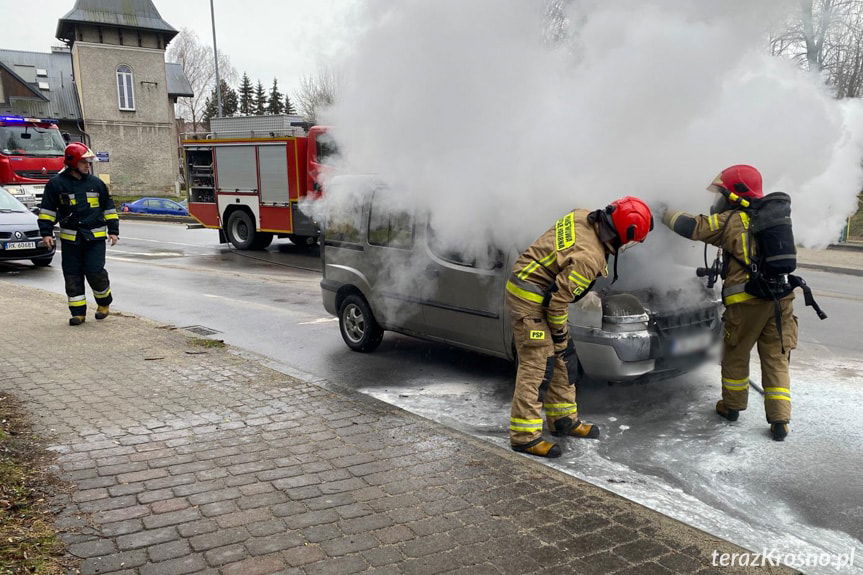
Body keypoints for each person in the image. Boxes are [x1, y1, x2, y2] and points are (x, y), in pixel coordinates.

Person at [506, 197, 654, 458]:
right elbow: (557, 303)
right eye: (631, 241)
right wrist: (560, 336)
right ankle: (524, 436)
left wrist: (563, 343)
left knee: (564, 357)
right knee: (538, 364)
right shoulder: (590, 258)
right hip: (529, 300)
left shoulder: (582, 216)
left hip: (541, 292)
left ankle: (563, 419)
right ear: (623, 234)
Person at [662, 165, 796, 441]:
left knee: (736, 354)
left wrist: (664, 211)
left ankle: (732, 407)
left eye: (722, 193)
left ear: (736, 195)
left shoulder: (731, 220)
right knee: (776, 359)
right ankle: (780, 419)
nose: (718, 199)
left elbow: (691, 226)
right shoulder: (774, 218)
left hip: (747, 302)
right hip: (782, 300)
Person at [38, 142, 119, 326]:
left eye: (89, 162)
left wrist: (113, 231)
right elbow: (48, 211)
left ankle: (104, 303)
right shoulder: (56, 184)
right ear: (72, 162)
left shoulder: (97, 183)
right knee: (72, 275)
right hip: (71, 239)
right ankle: (78, 313)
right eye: (84, 162)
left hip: (94, 238)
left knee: (94, 271)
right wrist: (46, 232)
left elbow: (109, 208)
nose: (88, 165)